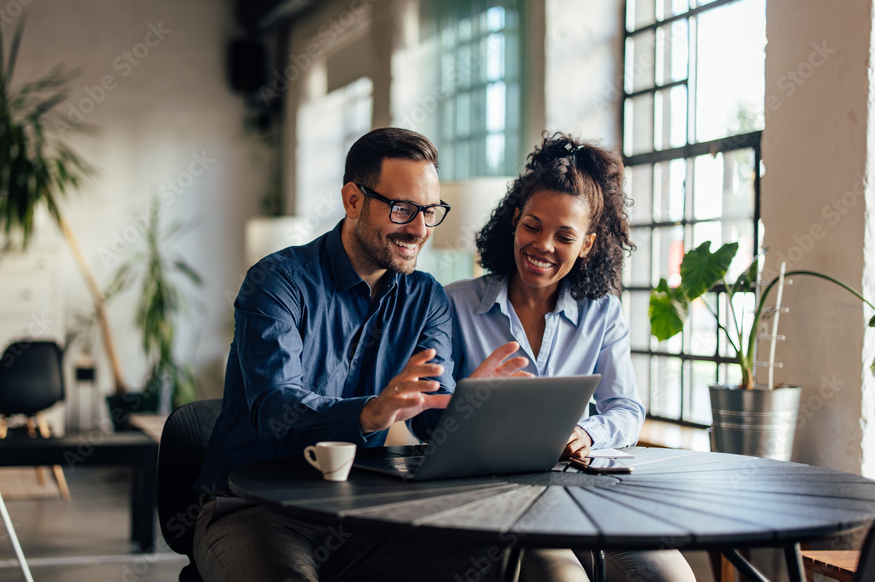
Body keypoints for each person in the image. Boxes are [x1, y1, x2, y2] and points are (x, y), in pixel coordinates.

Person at [192, 127, 530, 582]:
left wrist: (472, 404)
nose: (419, 229)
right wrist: (370, 414)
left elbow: (430, 417)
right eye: (403, 209)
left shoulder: (426, 298)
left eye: (430, 212)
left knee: (501, 563)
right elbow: (274, 409)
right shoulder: (278, 282)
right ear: (354, 200)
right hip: (251, 506)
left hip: (361, 509)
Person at [446, 132, 696, 582]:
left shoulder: (603, 314)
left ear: (587, 245)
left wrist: (586, 432)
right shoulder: (455, 305)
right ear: (514, 222)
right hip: (491, 495)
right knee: (563, 577)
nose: (543, 245)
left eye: (564, 236)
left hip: (578, 487)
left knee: (671, 574)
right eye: (533, 226)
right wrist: (470, 398)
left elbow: (627, 409)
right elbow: (428, 418)